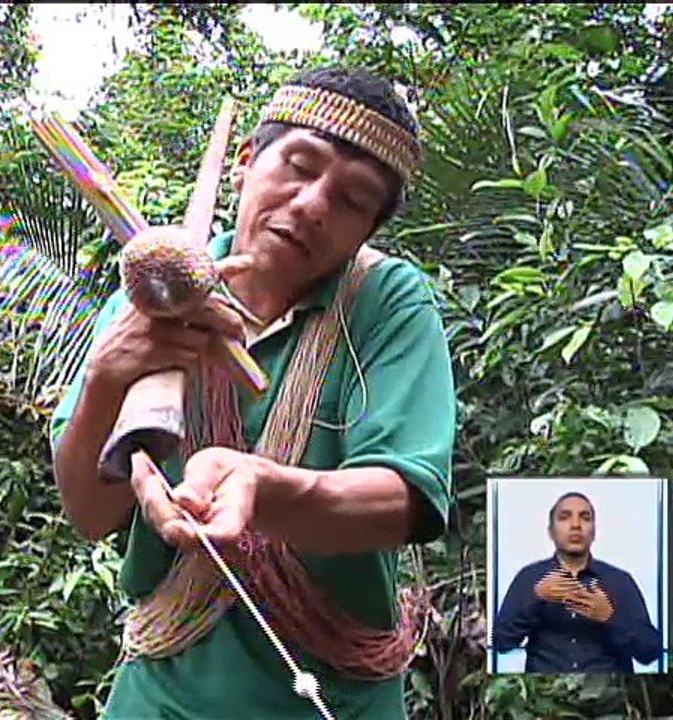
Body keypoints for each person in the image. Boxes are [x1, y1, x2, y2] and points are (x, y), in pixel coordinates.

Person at [50, 65, 456, 719]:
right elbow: (92, 514)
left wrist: (259, 489)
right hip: (161, 694)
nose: (313, 204)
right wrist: (106, 378)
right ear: (245, 162)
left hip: (334, 698)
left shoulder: (387, 303)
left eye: (352, 200)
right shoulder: (153, 291)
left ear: (366, 234)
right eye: (299, 164)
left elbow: (403, 499)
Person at [493, 491, 663, 673]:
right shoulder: (530, 578)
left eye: (585, 518)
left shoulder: (619, 581)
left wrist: (610, 618)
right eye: (565, 517)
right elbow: (501, 642)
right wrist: (536, 599)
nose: (575, 525)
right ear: (551, 531)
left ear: (594, 532)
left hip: (607, 690)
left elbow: (650, 652)